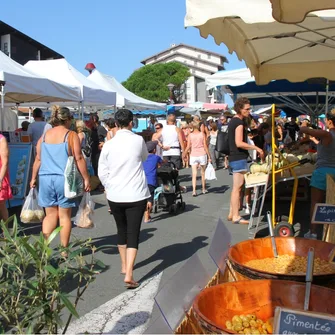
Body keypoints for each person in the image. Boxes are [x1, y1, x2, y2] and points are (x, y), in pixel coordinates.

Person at [98, 108, 150, 289]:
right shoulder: (138, 140)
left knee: (121, 229)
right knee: (133, 232)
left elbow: (102, 170)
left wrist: (108, 186)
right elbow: (144, 157)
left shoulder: (109, 144)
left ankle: (123, 265)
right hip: (136, 192)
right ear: (131, 122)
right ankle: (129, 272)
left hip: (115, 193)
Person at [30, 106, 90, 250]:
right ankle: (64, 250)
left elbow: (38, 159)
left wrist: (33, 178)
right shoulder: (71, 135)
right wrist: (86, 178)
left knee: (49, 215)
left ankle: (45, 249)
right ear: (68, 119)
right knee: (64, 216)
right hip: (64, 179)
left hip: (45, 178)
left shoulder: (44, 136)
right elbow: (79, 157)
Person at [227, 97, 264, 225]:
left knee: (236, 187)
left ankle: (232, 213)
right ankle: (236, 215)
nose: (249, 111)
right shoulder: (239, 123)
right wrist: (256, 148)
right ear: (239, 109)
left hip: (234, 157)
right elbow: (239, 143)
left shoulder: (233, 121)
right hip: (238, 157)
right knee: (238, 187)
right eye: (247, 109)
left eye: (249, 108)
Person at [300, 109, 335, 239]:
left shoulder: (327, 134)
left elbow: (304, 130)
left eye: (326, 120)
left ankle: (313, 232)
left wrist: (304, 123)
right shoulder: (326, 136)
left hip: (323, 172)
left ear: (329, 121)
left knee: (316, 203)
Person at [183, 122, 211, 196]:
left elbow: (188, 146)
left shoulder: (190, 135)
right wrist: (209, 156)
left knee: (194, 174)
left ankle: (194, 191)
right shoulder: (202, 134)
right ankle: (203, 189)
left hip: (193, 155)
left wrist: (184, 154)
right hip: (202, 154)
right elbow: (205, 145)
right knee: (203, 173)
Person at [143, 141, 162, 223]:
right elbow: (162, 164)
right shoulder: (156, 157)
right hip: (151, 180)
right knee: (150, 199)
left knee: (144, 198)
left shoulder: (143, 157)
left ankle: (146, 214)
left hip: (143, 180)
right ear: (154, 150)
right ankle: (146, 217)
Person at [0, 134, 12, 221]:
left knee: (1, 204)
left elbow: (5, 162)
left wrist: (0, 179)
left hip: (0, 175)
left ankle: (5, 230)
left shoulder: (1, 139)